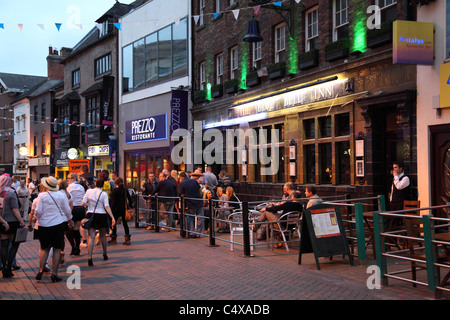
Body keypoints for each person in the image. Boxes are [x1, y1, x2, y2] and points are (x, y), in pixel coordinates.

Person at [34, 176, 73, 283]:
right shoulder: (61, 195)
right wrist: (70, 221)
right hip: (57, 224)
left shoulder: (41, 196)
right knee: (56, 249)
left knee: (44, 248)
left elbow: (38, 211)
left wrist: (38, 218)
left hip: (43, 225)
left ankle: (41, 270)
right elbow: (67, 210)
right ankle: (54, 274)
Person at [82, 179, 115, 267]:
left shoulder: (89, 191)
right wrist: (112, 217)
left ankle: (90, 257)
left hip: (91, 214)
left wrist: (89, 205)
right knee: (103, 235)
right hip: (101, 215)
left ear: (95, 184)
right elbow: (106, 206)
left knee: (91, 237)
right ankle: (104, 253)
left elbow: (83, 203)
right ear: (102, 185)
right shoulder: (103, 194)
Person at [0, 174, 25, 278]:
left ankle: (4, 266)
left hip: (2, 221)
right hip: (12, 222)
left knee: (4, 245)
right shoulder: (11, 193)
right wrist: (22, 222)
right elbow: (15, 209)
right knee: (14, 245)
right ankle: (9, 267)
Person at [178, 171, 204, 238]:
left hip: (190, 203)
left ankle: (192, 232)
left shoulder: (181, 183)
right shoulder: (194, 181)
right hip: (199, 201)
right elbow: (199, 190)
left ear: (181, 177)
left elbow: (181, 194)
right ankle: (199, 233)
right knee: (200, 218)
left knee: (190, 217)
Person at [67, 173, 86, 256]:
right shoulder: (81, 187)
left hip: (72, 208)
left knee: (68, 228)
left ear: (73, 178)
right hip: (80, 209)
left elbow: (67, 199)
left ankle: (73, 246)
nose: (68, 180)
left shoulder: (69, 188)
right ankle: (77, 248)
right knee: (76, 228)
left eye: (68, 178)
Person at [109, 177, 133, 245]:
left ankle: (113, 238)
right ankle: (127, 239)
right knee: (125, 224)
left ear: (115, 183)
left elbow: (113, 202)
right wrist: (130, 206)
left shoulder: (115, 190)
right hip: (124, 209)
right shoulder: (125, 189)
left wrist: (111, 209)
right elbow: (129, 198)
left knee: (113, 223)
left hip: (116, 209)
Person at [57, 179, 73, 265]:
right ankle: (62, 250)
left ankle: (58, 252)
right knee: (62, 236)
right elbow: (71, 207)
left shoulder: (57, 194)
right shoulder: (68, 195)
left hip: (57, 218)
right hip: (65, 218)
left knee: (57, 237)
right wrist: (69, 218)